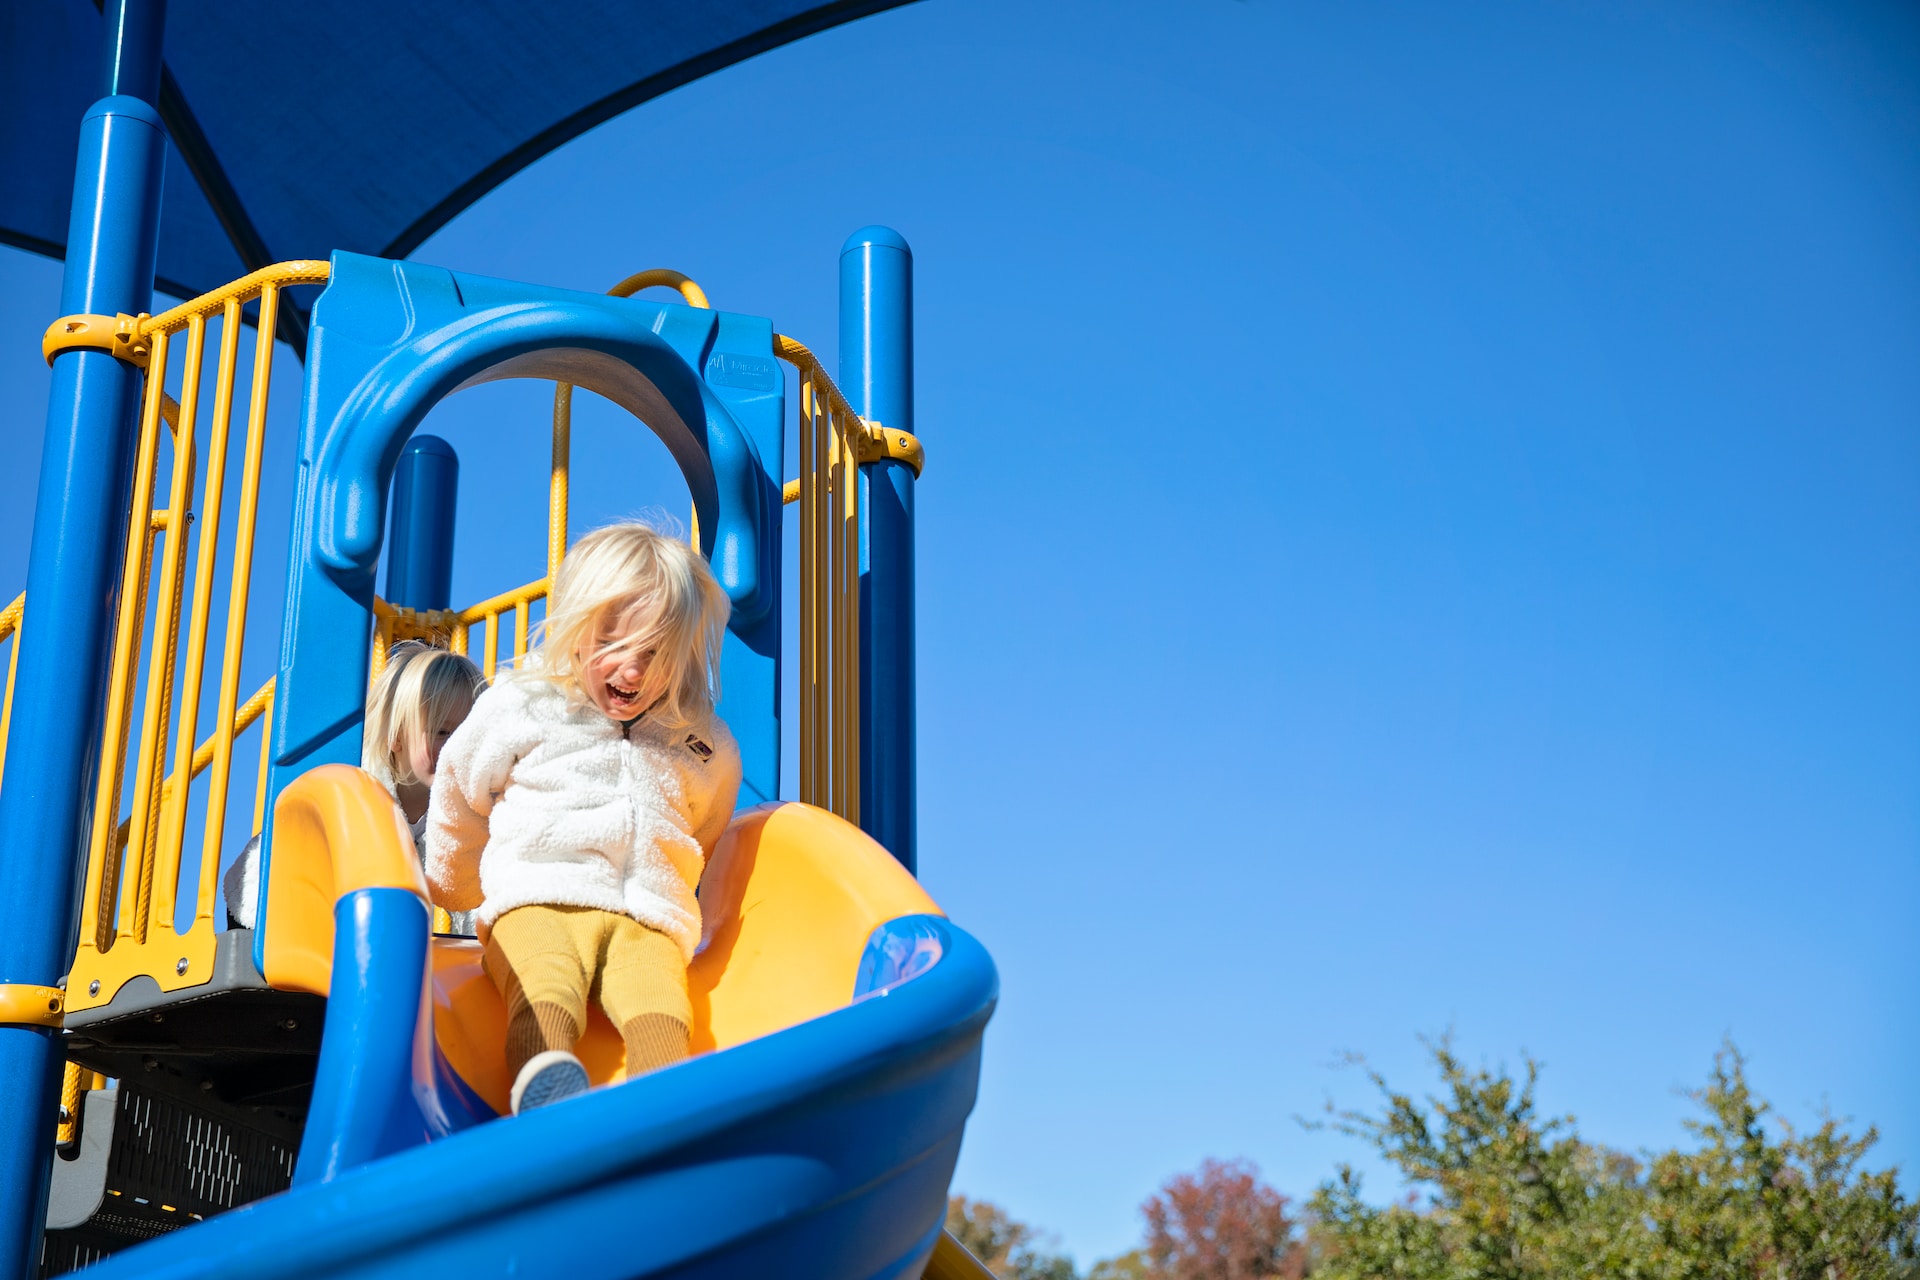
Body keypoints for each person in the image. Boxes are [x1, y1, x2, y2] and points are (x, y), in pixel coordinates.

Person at [425, 522, 741, 1115]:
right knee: (544, 986)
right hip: (537, 896)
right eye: (614, 646)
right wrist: (454, 883)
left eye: (655, 654)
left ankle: (664, 1114)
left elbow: (706, 826)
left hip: (646, 917)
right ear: (576, 632)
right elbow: (460, 790)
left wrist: (676, 885)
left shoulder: (699, 742)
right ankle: (545, 1089)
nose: (633, 672)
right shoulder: (524, 705)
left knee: (665, 1007)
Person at [222, 640, 485, 931]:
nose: (456, 748)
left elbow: (475, 888)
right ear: (395, 736)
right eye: (442, 732)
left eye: (469, 735)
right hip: (260, 913)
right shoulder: (357, 791)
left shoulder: (461, 814)